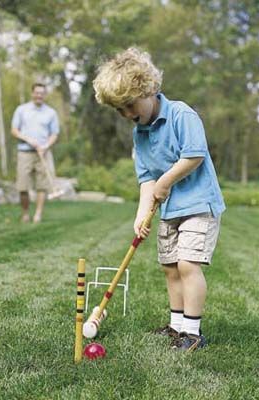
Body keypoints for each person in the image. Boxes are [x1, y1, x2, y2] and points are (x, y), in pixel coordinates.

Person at [93, 48, 225, 352]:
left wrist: (165, 182)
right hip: (170, 209)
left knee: (187, 264)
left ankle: (192, 333)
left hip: (199, 204)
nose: (127, 115)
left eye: (129, 105)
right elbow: (146, 180)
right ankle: (176, 326)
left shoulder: (181, 115)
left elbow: (194, 155)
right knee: (169, 267)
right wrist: (141, 213)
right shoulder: (140, 134)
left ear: (147, 89)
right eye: (119, 110)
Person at [11, 83, 60, 223]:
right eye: (37, 92)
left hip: (43, 153)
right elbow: (14, 130)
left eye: (42, 93)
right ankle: (25, 213)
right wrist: (27, 139)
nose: (39, 95)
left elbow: (54, 134)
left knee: (42, 186)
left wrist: (46, 146)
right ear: (32, 93)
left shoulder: (51, 113)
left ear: (45, 95)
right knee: (22, 186)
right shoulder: (21, 110)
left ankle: (38, 214)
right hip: (25, 152)